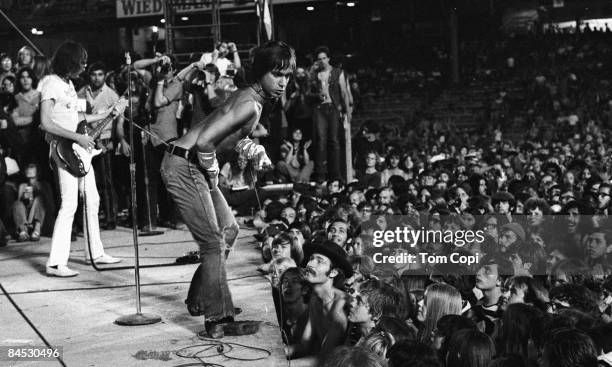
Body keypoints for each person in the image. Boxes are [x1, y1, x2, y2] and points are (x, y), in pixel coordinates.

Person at [160, 40, 294, 338]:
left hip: (193, 163)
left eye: (287, 75)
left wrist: (252, 149)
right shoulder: (249, 103)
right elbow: (206, 141)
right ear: (261, 73)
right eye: (277, 74)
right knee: (213, 243)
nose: (283, 81)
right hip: (186, 165)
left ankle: (201, 299)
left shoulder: (251, 99)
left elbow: (227, 135)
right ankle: (218, 319)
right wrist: (212, 171)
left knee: (229, 230)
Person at [39, 40, 124, 277]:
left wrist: (109, 113)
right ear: (70, 61)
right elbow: (45, 122)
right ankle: (55, 263)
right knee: (69, 204)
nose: (84, 66)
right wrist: (78, 137)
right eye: (81, 61)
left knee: (93, 199)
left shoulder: (68, 84)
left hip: (78, 147)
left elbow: (78, 116)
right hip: (63, 149)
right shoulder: (49, 83)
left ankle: (94, 253)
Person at [286, 239, 354, 361]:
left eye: (319, 261)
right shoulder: (316, 299)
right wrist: (277, 353)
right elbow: (304, 345)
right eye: (311, 258)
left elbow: (324, 359)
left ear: (333, 272)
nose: (311, 264)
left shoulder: (339, 308)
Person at [77, 61, 126, 229]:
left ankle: (111, 217)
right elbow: (78, 114)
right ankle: (95, 215)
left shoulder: (111, 94)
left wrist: (114, 140)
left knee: (107, 181)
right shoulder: (83, 92)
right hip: (87, 139)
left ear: (104, 76)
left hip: (104, 140)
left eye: (100, 74)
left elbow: (117, 117)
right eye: (93, 74)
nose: (96, 78)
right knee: (91, 180)